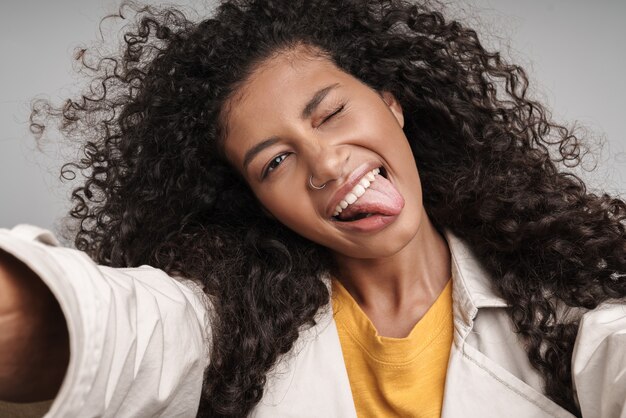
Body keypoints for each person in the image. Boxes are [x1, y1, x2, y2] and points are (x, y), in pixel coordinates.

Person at [1, 0, 625, 417]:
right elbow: (115, 332)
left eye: (331, 114)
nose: (325, 164)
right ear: (256, 203)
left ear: (392, 105)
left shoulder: (568, 316)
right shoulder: (223, 332)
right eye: (274, 162)